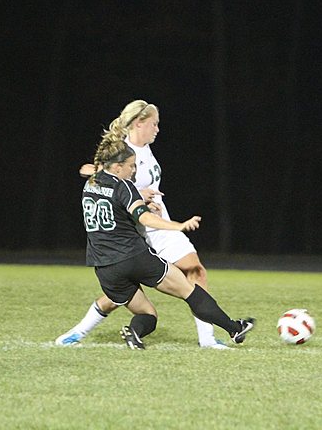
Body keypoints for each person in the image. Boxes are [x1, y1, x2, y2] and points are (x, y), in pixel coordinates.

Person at [56, 100, 228, 348]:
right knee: (121, 294)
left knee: (194, 270)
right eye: (154, 124)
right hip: (139, 230)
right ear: (139, 123)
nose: (158, 129)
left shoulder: (144, 148)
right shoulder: (124, 151)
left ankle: (207, 339)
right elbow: (90, 172)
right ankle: (78, 332)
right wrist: (137, 193)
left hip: (158, 225)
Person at [75, 138, 254, 349]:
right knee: (190, 290)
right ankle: (234, 328)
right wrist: (177, 225)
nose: (133, 171)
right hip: (134, 257)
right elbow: (144, 218)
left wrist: (142, 202)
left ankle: (134, 332)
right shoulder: (125, 186)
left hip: (104, 267)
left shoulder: (91, 183)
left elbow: (112, 204)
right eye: (131, 166)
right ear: (117, 166)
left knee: (147, 314)